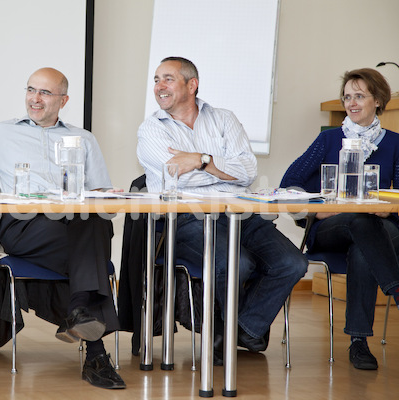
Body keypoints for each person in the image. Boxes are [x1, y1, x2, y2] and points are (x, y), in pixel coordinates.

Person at [0, 67, 125, 389]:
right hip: (24, 226)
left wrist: (109, 196)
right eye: (31, 90)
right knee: (91, 236)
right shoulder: (2, 132)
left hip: (73, 226)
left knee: (92, 222)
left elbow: (100, 194)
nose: (35, 99)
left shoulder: (83, 139)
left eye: (45, 93)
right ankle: (91, 345)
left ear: (64, 100)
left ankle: (86, 328)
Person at [137, 56, 307, 362]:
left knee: (292, 263)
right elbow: (175, 174)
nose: (159, 86)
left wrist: (201, 159)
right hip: (187, 219)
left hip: (241, 212)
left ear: (192, 85)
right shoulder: (151, 129)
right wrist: (218, 168)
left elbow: (248, 170)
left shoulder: (224, 119)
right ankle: (229, 333)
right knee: (237, 263)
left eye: (168, 79)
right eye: (156, 79)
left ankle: (240, 329)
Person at [280, 68, 399, 370]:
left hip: (382, 227)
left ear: (378, 100)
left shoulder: (396, 143)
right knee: (360, 222)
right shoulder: (330, 139)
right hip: (332, 226)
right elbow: (290, 182)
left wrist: (389, 208)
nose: (352, 103)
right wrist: (315, 209)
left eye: (360, 96)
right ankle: (396, 289)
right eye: (347, 97)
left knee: (364, 238)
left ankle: (359, 342)